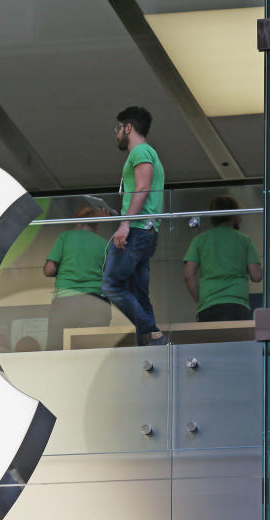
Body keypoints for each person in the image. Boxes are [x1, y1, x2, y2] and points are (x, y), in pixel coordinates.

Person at [102, 106, 167, 346]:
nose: (117, 134)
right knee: (139, 295)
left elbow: (142, 188)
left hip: (138, 230)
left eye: (118, 128)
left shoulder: (140, 151)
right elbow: (143, 195)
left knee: (111, 284)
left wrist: (125, 223)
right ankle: (150, 349)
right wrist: (118, 216)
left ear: (128, 127)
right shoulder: (148, 153)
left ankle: (153, 332)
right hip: (145, 230)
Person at [183, 196, 262, 322]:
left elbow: (188, 275)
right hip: (237, 303)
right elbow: (257, 276)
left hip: (209, 304)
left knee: (212, 341)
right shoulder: (244, 240)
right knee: (238, 341)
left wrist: (201, 300)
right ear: (233, 215)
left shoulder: (200, 240)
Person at [43, 206, 112, 350]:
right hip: (98, 302)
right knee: (93, 350)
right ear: (95, 225)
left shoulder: (66, 237)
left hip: (67, 301)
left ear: (77, 222)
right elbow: (111, 276)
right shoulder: (105, 244)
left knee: (56, 349)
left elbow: (49, 270)